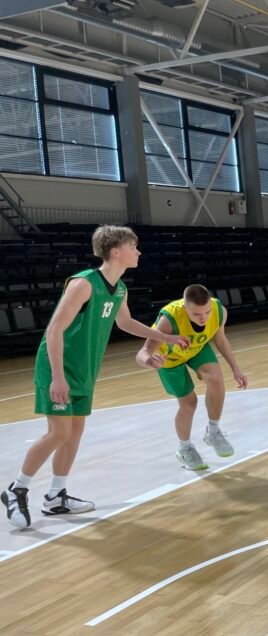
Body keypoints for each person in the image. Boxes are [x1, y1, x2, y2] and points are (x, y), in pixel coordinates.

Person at [2, 225, 189, 529]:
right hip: (57, 367)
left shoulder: (120, 288)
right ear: (116, 251)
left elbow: (125, 322)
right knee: (58, 432)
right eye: (133, 246)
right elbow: (54, 329)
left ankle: (56, 496)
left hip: (84, 369)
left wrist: (165, 338)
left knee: (74, 432)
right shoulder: (84, 283)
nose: (138, 251)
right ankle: (16, 489)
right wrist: (57, 377)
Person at [135, 284, 249, 471]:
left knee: (216, 380)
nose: (203, 318)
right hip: (169, 358)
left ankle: (213, 431)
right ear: (184, 307)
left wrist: (236, 369)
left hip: (196, 348)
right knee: (189, 403)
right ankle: (185, 448)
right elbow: (142, 352)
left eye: (207, 312)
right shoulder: (168, 320)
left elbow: (220, 339)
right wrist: (149, 360)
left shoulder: (219, 310)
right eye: (196, 314)